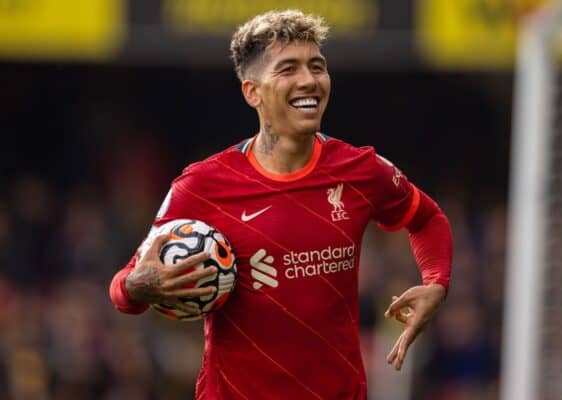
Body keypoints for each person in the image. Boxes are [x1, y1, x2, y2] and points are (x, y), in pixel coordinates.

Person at [109, 9, 452, 399]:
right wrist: (139, 286)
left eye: (316, 66)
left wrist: (436, 282)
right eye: (288, 69)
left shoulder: (360, 169)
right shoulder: (203, 185)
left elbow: (427, 218)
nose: (309, 80)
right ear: (252, 91)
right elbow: (126, 287)